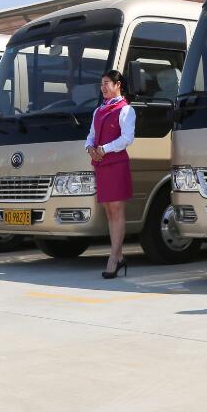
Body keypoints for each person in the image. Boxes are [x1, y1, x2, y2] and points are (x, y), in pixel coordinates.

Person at [87, 69, 136, 279]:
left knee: (116, 210)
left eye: (107, 83)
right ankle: (119, 255)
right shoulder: (98, 110)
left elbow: (127, 138)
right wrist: (89, 147)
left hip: (116, 164)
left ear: (118, 85)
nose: (103, 87)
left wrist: (104, 149)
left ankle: (113, 258)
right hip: (102, 165)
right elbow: (91, 135)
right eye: (101, 84)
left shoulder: (126, 110)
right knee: (108, 211)